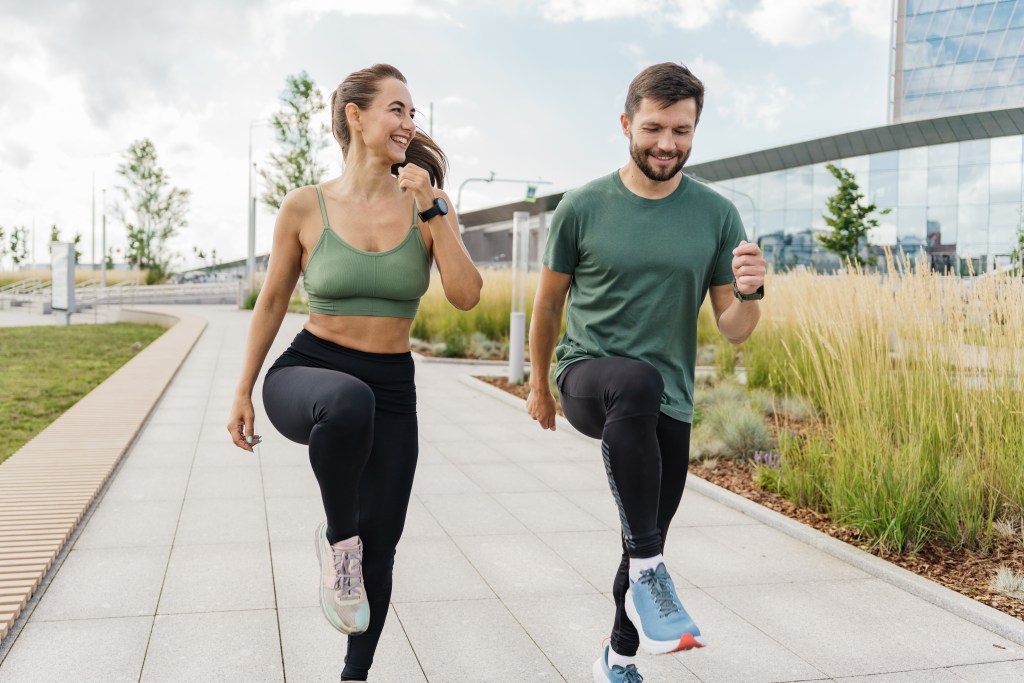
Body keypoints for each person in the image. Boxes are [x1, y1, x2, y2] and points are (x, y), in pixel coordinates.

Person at [227, 63, 482, 682]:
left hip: (392, 385)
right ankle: (340, 544)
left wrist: (436, 210)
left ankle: (354, 674)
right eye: (397, 109)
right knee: (347, 402)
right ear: (356, 115)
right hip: (310, 373)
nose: (408, 124)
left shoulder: (427, 205)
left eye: (413, 113)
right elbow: (273, 302)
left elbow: (468, 295)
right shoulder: (304, 206)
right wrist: (241, 390)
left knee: (384, 544)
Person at [526, 62, 766, 683]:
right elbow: (548, 303)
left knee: (643, 540)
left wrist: (753, 291)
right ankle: (650, 570)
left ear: (695, 131)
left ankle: (619, 656)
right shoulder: (582, 206)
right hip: (587, 377)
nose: (667, 144)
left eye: (682, 131)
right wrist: (536, 386)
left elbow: (732, 327)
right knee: (633, 384)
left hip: (669, 397)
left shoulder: (716, 214)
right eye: (655, 127)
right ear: (627, 123)